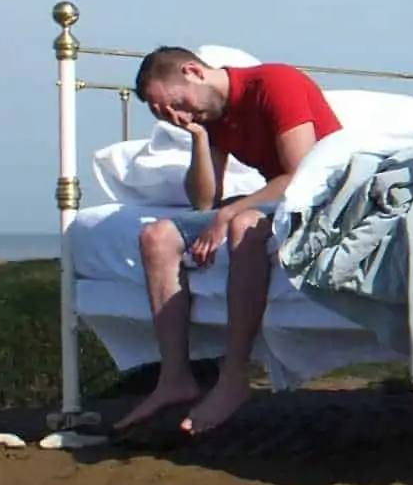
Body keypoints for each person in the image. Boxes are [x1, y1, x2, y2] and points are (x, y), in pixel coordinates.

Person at [112, 47, 342, 438]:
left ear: (193, 72)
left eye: (176, 105)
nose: (178, 117)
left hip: (327, 194)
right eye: (165, 115)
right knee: (157, 236)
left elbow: (303, 176)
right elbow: (203, 200)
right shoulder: (212, 117)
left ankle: (234, 377)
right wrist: (199, 137)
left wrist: (227, 214)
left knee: (244, 225)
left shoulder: (274, 83)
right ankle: (174, 377)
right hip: (281, 197)